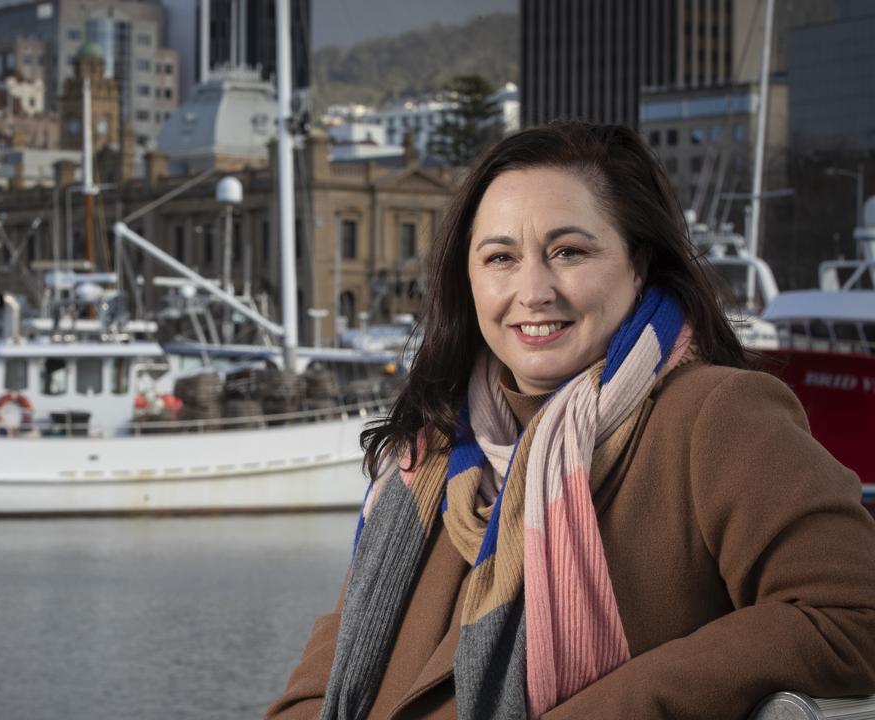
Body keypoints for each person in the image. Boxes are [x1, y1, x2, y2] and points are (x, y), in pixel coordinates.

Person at [265, 121, 875, 720]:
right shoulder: (425, 455)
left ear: (639, 264)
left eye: (569, 252)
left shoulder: (714, 417)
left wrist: (626, 703)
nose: (533, 290)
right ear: (468, 280)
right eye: (500, 257)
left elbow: (852, 615)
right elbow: (328, 676)